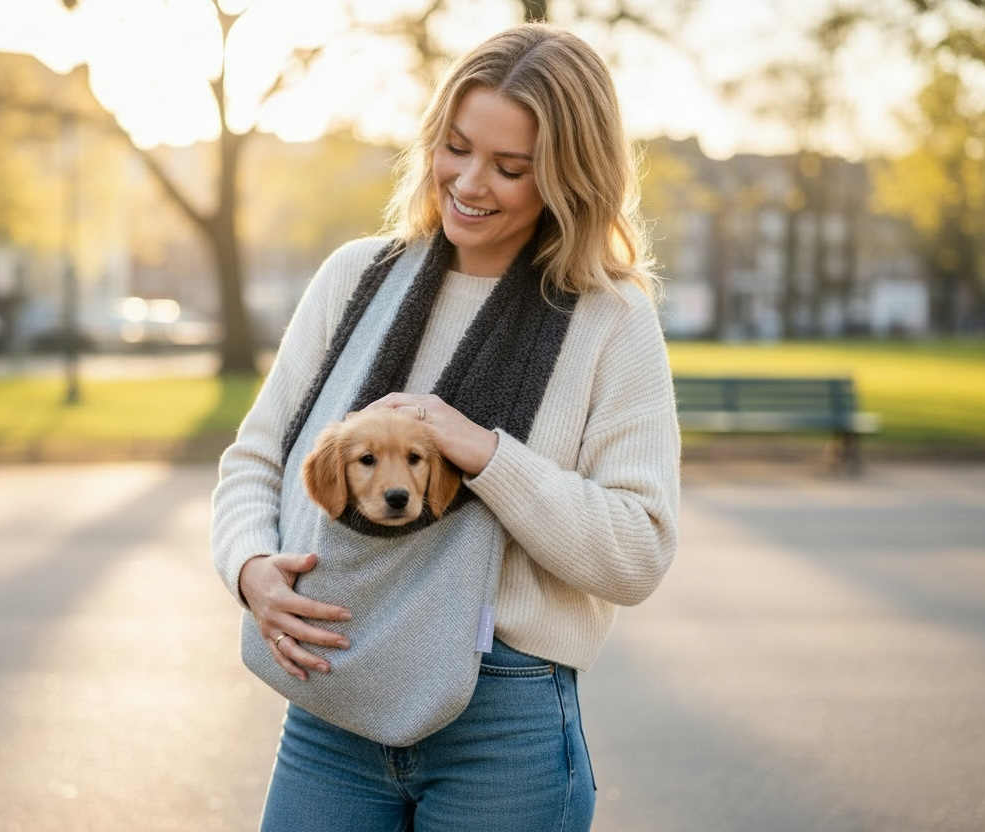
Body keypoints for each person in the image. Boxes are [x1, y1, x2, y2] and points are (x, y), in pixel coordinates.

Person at [211, 22, 680, 832]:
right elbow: (257, 458)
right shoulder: (357, 278)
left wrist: (487, 455)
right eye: (455, 147)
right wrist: (250, 567)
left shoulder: (610, 321)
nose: (468, 182)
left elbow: (638, 550)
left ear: (569, 179)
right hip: (334, 702)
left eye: (510, 167)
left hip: (504, 718)